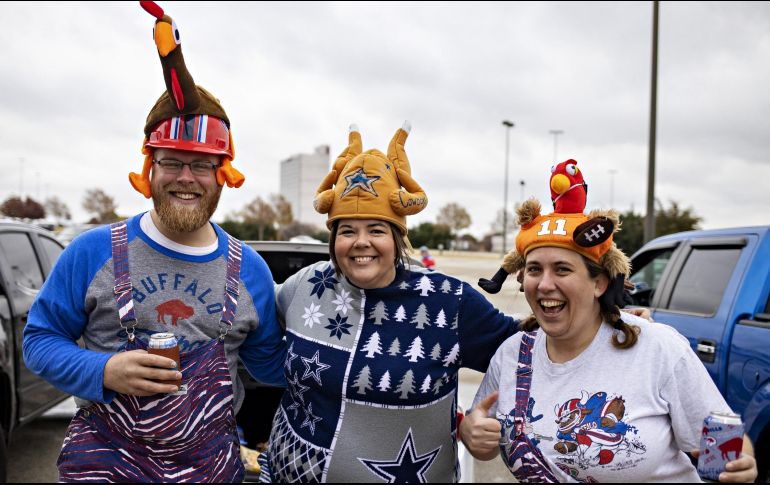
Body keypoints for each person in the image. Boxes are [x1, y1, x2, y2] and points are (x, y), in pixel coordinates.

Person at [22, 3, 285, 482]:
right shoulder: (91, 251)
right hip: (105, 461)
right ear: (150, 168)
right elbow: (39, 341)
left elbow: (273, 368)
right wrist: (103, 371)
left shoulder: (250, 270)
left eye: (202, 164)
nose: (187, 178)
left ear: (222, 174)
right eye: (172, 161)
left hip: (208, 468)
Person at [460, 160, 758, 482]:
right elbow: (484, 440)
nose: (544, 284)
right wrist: (471, 433)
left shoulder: (656, 347)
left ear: (599, 283)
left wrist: (739, 464)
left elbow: (724, 440)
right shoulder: (512, 355)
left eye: (562, 269)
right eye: (534, 270)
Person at [256, 123, 521, 483]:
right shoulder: (305, 285)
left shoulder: (450, 302)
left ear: (397, 238)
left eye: (376, 230)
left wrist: (479, 422)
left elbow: (529, 354)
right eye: (347, 230)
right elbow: (247, 328)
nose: (360, 241)